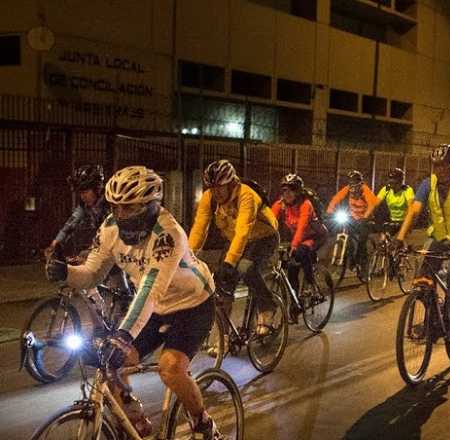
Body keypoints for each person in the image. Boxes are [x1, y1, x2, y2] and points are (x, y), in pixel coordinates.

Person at [45, 166, 221, 438]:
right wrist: (65, 272)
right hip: (156, 308)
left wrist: (122, 336)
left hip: (193, 304)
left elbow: (151, 289)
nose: (120, 215)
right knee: (112, 363)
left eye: (129, 208)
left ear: (150, 207)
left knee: (170, 368)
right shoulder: (110, 229)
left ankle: (202, 421)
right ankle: (135, 420)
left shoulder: (167, 233)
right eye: (115, 208)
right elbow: (92, 273)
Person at [394, 144, 450, 333]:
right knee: (421, 278)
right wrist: (399, 237)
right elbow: (414, 210)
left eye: (444, 165)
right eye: (436, 165)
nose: (439, 170)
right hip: (438, 237)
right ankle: (433, 315)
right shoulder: (427, 184)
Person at [189, 159, 280, 319]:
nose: (215, 192)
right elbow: (199, 229)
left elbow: (243, 231)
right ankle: (225, 335)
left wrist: (229, 262)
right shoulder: (208, 197)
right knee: (222, 284)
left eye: (219, 187)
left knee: (245, 268)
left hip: (264, 237)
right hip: (235, 240)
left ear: (230, 184)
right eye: (212, 187)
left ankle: (267, 307)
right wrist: (188, 257)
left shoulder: (246, 195)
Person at [271, 173, 328, 293]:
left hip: (316, 236)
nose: (288, 193)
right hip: (300, 238)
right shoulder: (280, 205)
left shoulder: (305, 205)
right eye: (285, 190)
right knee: (292, 267)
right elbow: (269, 222)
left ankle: (312, 283)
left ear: (298, 192)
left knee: (300, 251)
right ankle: (295, 301)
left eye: (292, 190)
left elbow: (302, 226)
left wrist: (294, 245)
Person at [48, 165, 110, 258]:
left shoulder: (110, 205)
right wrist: (55, 243)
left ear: (97, 189)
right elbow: (70, 225)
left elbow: (113, 238)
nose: (82, 196)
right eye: (80, 193)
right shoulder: (85, 205)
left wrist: (91, 252)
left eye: (85, 192)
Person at [326, 170, 380, 268]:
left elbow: (372, 204)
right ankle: (349, 256)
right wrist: (329, 211)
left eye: (355, 181)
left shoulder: (365, 190)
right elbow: (336, 198)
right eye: (351, 181)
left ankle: (362, 261)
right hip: (354, 218)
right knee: (348, 235)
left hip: (366, 219)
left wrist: (365, 216)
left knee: (361, 241)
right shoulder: (348, 188)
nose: (353, 184)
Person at [376, 168, 416, 232]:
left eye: (394, 183)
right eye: (390, 183)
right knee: (382, 238)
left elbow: (411, 208)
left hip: (404, 221)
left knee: (397, 240)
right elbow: (375, 204)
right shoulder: (386, 189)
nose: (392, 186)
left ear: (400, 182)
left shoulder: (407, 190)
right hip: (391, 220)